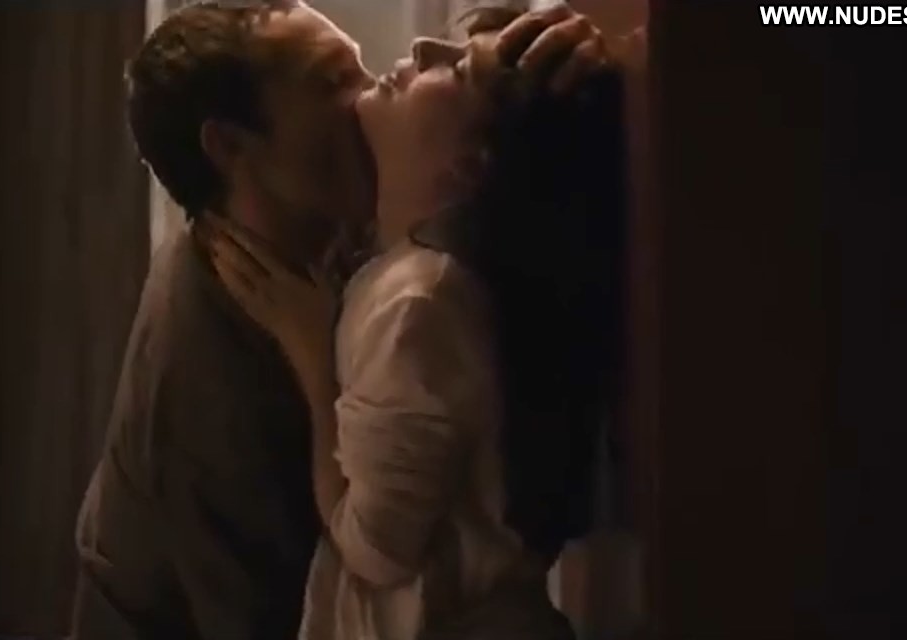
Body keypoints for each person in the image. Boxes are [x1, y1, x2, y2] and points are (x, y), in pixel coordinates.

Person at [69, 1, 608, 638]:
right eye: (331, 82)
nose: (368, 93)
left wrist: (558, 67)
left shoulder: (358, 238)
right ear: (232, 147)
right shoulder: (201, 360)